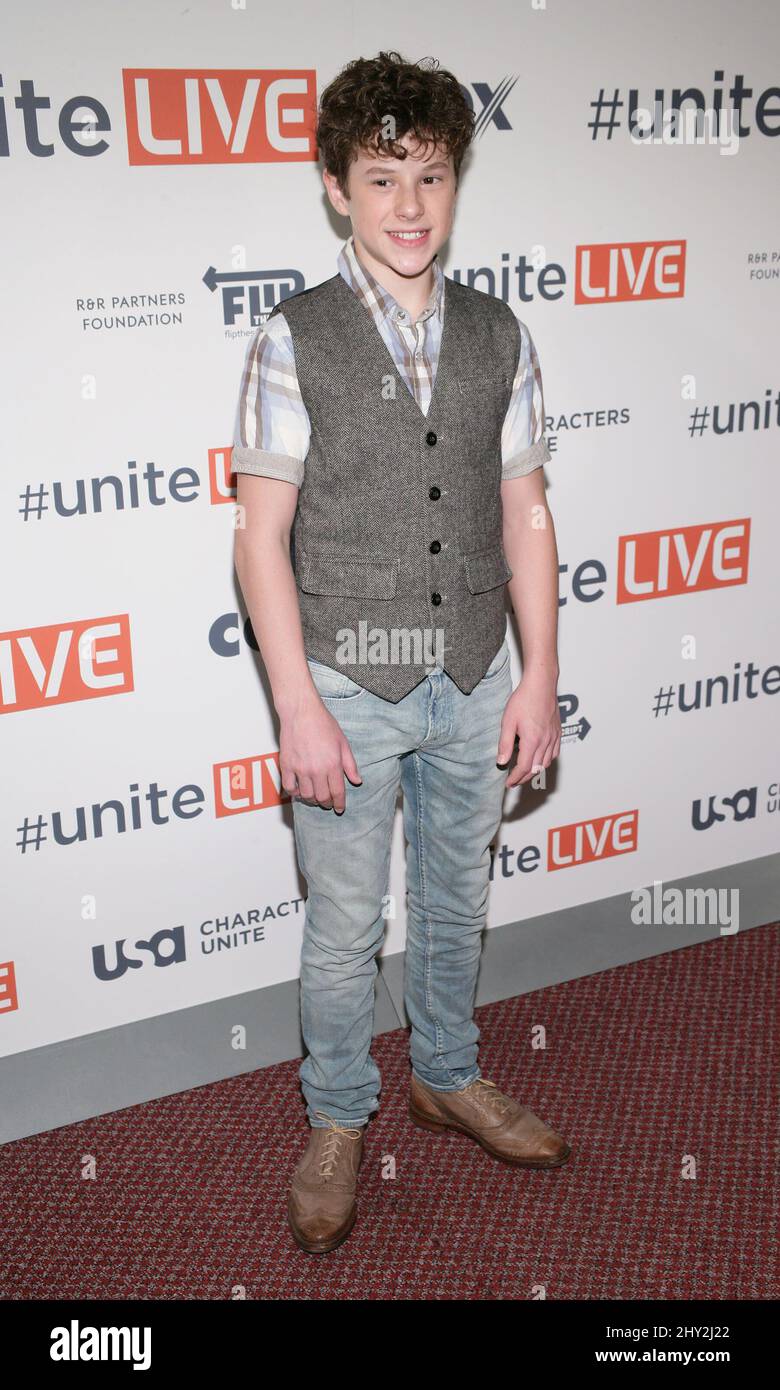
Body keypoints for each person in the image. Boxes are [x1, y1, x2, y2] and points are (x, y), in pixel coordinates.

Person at [232, 50, 571, 1255]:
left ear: (454, 179)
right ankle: (336, 1117)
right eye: (382, 179)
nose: (410, 207)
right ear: (336, 186)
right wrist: (296, 707)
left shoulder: (499, 330)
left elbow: (524, 507)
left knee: (454, 898)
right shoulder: (293, 336)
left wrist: (538, 671)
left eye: (430, 175)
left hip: (479, 671)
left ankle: (446, 1072)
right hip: (347, 685)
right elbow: (260, 538)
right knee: (340, 927)